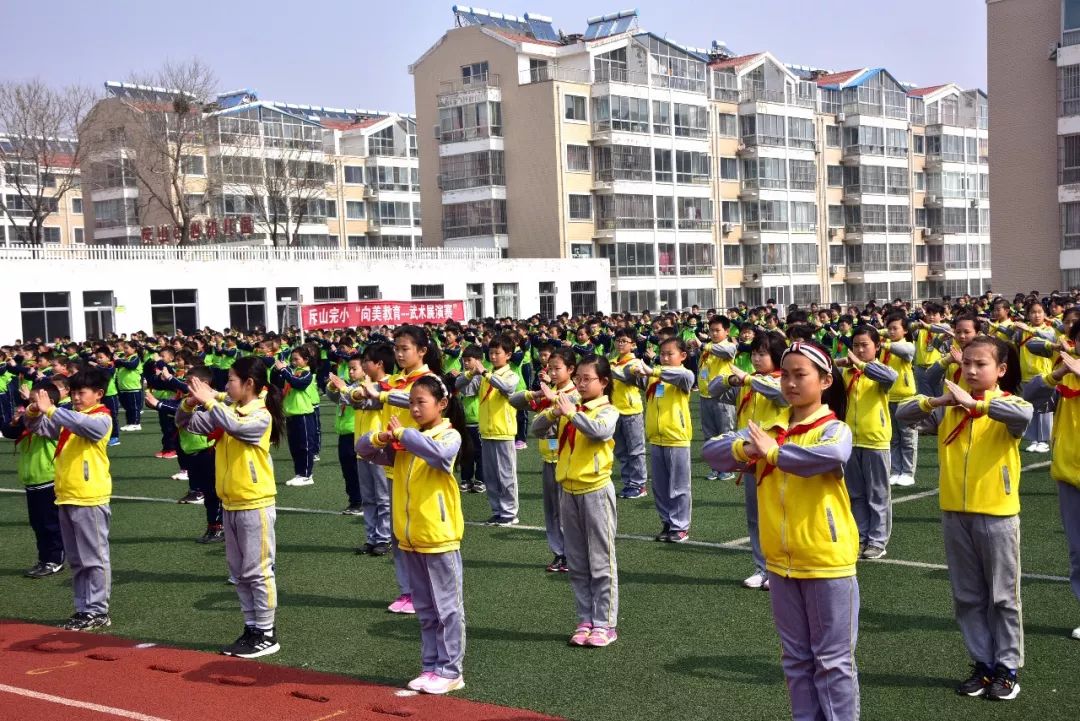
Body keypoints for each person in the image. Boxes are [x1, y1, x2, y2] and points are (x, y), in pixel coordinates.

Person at [703, 340, 858, 721]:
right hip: (780, 564)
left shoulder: (833, 429)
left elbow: (830, 457)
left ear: (825, 380)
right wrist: (746, 451)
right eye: (785, 374)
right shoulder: (769, 429)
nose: (789, 383)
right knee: (796, 660)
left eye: (800, 375)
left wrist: (771, 453)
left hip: (826, 562)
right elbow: (712, 450)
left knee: (833, 661)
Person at [897, 336, 1032, 701]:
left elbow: (1024, 415)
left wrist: (977, 404)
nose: (970, 370)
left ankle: (1008, 668)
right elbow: (903, 415)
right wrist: (938, 400)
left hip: (997, 515)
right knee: (967, 596)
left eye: (981, 364)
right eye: (966, 363)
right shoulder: (950, 408)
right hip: (955, 512)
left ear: (1000, 370)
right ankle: (983, 665)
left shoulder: (1007, 404)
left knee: (1003, 597)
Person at [357, 375, 469, 695]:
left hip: (438, 536)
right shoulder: (406, 440)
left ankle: (451, 670)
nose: (416, 409)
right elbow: (363, 449)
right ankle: (431, 665)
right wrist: (380, 437)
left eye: (422, 402)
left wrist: (403, 434)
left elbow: (438, 454)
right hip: (410, 537)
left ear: (441, 404)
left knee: (447, 608)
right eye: (412, 403)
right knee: (425, 608)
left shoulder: (449, 436)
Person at [176, 356, 284, 659]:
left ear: (249, 384)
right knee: (239, 572)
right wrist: (189, 403)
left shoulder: (260, 414)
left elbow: (236, 426)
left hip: (254, 502)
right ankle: (251, 627)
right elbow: (186, 424)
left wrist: (211, 401)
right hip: (231, 503)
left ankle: (267, 631)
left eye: (231, 381)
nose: (225, 387)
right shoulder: (229, 411)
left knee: (258, 571)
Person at [531, 354, 621, 647]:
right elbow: (536, 429)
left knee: (601, 560)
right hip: (568, 490)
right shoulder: (571, 407)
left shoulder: (607, 410)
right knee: (578, 561)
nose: (581, 384)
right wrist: (553, 413)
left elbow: (598, 432)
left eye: (587, 379)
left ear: (603, 382)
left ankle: (605, 623)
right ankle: (585, 618)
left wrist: (569, 413)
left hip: (595, 491)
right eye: (578, 378)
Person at [353, 325, 444, 614]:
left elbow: (407, 399)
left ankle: (428, 590)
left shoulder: (429, 380)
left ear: (422, 351)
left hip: (422, 464)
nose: (400, 354)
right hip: (396, 462)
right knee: (399, 531)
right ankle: (408, 590)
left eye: (406, 348)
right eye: (397, 348)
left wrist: (380, 395)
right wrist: (355, 393)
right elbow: (368, 394)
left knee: (423, 530)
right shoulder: (395, 379)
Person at [25, 367, 114, 631]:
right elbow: (36, 426)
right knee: (77, 560)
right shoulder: (71, 417)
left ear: (99, 394)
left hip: (90, 497)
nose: (75, 397)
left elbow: (83, 426)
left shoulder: (101, 418)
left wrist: (51, 409)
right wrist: (33, 409)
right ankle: (83, 609)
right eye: (73, 392)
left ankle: (98, 611)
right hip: (66, 496)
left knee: (94, 558)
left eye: (81, 392)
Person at [710, 329, 789, 589]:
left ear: (776, 356)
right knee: (755, 516)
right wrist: (731, 381)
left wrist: (747, 380)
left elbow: (779, 395)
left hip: (775, 458)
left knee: (778, 514)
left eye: (762, 354)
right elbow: (713, 390)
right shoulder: (750, 381)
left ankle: (781, 568)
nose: (756, 359)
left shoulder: (783, 381)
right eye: (754, 353)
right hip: (750, 457)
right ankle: (762, 567)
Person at [1022, 324, 1080, 640]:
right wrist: (1057, 373)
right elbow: (1029, 397)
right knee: (1078, 552)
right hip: (1069, 475)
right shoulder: (1065, 374)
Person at [512, 346, 579, 572]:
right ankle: (559, 553)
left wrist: (556, 399)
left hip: (568, 459)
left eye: (557, 369)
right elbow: (515, 400)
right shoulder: (548, 391)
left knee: (568, 510)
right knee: (551, 510)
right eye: (549, 368)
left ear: (571, 369)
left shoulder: (575, 394)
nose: (552, 372)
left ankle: (572, 554)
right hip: (548, 458)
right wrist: (537, 393)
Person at [837, 325, 897, 559]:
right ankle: (861, 537)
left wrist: (861, 365)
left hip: (875, 441)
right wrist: (841, 363)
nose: (859, 350)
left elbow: (890, 377)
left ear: (877, 347)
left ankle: (878, 541)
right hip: (851, 441)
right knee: (856, 494)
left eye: (865, 345)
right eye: (856, 346)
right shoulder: (847, 373)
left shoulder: (880, 371)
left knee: (878, 494)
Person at [145, 365, 222, 542]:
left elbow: (189, 414)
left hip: (207, 451)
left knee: (213, 493)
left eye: (189, 382)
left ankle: (217, 527)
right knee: (206, 492)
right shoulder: (189, 399)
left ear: (203, 384)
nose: (185, 386)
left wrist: (160, 405)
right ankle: (213, 525)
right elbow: (178, 408)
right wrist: (159, 404)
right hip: (192, 451)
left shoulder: (209, 402)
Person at [631, 337, 694, 543]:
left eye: (670, 354)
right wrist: (635, 370)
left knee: (679, 486)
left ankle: (680, 526)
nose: (665, 358)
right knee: (660, 486)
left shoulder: (684, 375)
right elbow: (630, 376)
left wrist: (653, 370)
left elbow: (682, 375)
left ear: (683, 356)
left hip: (677, 438)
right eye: (662, 354)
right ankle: (667, 522)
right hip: (656, 439)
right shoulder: (655, 377)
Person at [3, 379, 66, 578]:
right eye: (29, 400)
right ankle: (44, 558)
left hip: (48, 478)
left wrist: (35, 412)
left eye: (34, 400)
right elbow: (9, 431)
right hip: (32, 479)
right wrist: (17, 418)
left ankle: (55, 560)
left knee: (51, 524)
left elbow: (40, 425)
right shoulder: (30, 417)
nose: (30, 405)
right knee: (38, 524)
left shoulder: (53, 419)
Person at [457, 334, 520, 526]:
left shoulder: (510, 374)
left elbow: (507, 387)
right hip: (486, 431)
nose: (493, 357)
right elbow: (459, 385)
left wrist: (484, 373)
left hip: (503, 432)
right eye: (491, 353)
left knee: (506, 475)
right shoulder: (486, 374)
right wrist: (471, 373)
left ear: (508, 355)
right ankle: (497, 511)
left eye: (497, 353)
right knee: (491, 476)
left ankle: (510, 513)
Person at [342, 342, 395, 555]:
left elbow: (365, 401)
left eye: (366, 362)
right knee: (369, 497)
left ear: (379, 364)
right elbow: (346, 398)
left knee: (383, 497)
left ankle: (384, 538)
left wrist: (355, 392)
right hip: (363, 448)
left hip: (380, 449)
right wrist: (346, 390)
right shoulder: (364, 384)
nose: (363, 366)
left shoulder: (388, 385)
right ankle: (371, 538)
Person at [609, 329, 648, 498]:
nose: (620, 343)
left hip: (631, 411)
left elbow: (633, 377)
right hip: (614, 410)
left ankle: (639, 484)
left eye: (624, 340)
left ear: (633, 344)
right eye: (618, 340)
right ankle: (628, 483)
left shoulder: (635, 362)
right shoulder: (612, 361)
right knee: (621, 451)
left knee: (636, 450)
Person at [698, 316, 738, 482]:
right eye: (711, 330)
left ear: (727, 331)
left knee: (726, 433)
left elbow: (728, 352)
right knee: (709, 435)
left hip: (723, 395)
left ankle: (728, 468)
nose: (713, 333)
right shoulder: (708, 348)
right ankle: (715, 467)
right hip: (705, 395)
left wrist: (703, 345)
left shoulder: (728, 346)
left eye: (717, 330)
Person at [273, 345, 318, 487]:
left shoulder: (306, 373)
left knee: (305, 445)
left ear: (306, 360)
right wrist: (277, 371)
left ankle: (307, 474)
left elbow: (298, 384)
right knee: (295, 446)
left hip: (303, 414)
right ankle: (299, 473)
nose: (293, 362)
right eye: (292, 359)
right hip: (291, 414)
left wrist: (284, 370)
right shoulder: (293, 373)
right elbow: (278, 382)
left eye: (296, 359)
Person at [881, 313, 918, 487]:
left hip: (905, 397)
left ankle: (908, 472)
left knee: (908, 437)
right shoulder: (884, 347)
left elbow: (903, 351)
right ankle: (895, 470)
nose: (891, 331)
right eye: (889, 328)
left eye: (895, 328)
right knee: (893, 438)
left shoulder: (908, 346)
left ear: (904, 331)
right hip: (887, 397)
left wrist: (884, 340)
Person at [327, 352, 363, 515]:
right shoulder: (350, 386)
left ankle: (361, 501)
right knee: (348, 471)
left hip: (358, 432)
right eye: (349, 369)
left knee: (358, 471)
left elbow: (352, 397)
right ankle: (354, 501)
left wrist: (343, 388)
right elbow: (335, 398)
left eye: (354, 369)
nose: (350, 372)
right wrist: (332, 386)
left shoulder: (364, 387)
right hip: (344, 433)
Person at [456, 344, 486, 495]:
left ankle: (481, 479)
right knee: (466, 452)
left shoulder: (482, 377)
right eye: (464, 361)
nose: (466, 363)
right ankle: (466, 479)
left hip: (478, 420)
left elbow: (468, 390)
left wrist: (469, 375)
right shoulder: (464, 375)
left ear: (479, 360)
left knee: (480, 452)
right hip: (464, 421)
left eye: (469, 360)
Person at [92, 346, 122, 447]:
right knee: (100, 416)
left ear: (108, 357)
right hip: (100, 395)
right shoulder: (97, 368)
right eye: (97, 358)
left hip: (110, 395)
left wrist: (96, 366)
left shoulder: (111, 366)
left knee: (112, 416)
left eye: (101, 357)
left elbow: (107, 373)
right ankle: (103, 435)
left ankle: (115, 436)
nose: (99, 360)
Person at [115, 341, 143, 432]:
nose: (125, 350)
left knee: (134, 407)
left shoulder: (135, 357)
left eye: (127, 348)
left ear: (134, 349)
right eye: (124, 348)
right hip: (124, 388)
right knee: (128, 408)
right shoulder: (124, 358)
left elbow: (131, 365)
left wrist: (119, 360)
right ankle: (130, 423)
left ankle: (136, 423)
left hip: (133, 388)